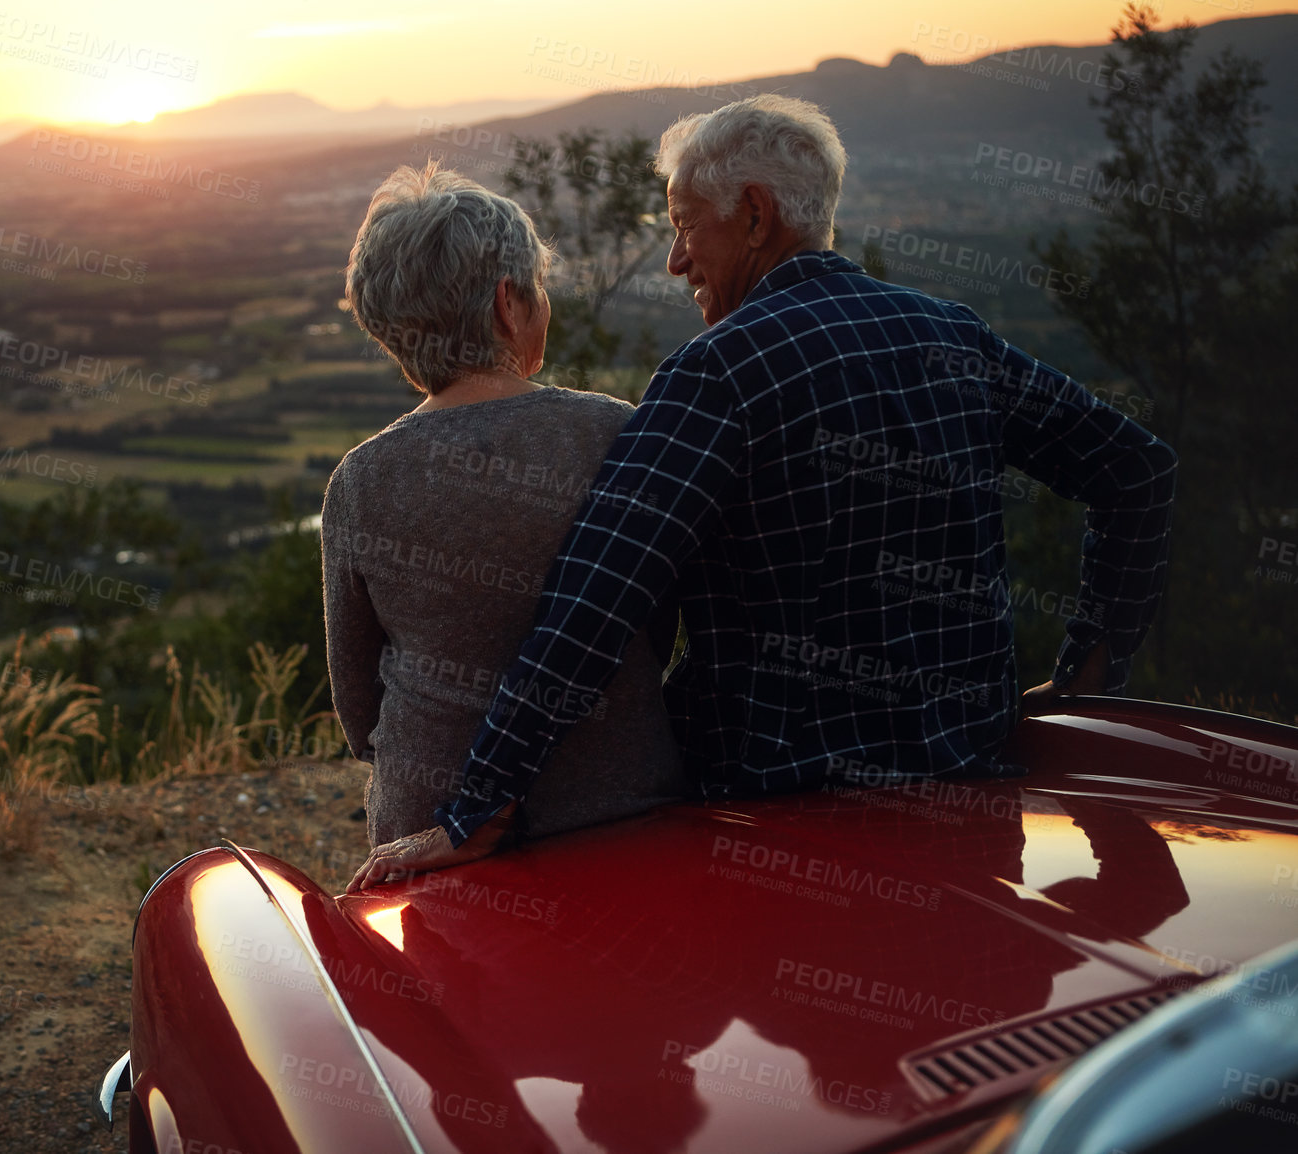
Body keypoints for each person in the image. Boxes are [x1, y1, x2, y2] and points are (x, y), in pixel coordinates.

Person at [348, 94, 1177, 890]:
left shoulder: (717, 375)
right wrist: (1091, 668)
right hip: (975, 813)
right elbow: (1135, 468)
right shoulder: (955, 336)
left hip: (781, 840)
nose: (675, 261)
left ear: (753, 214)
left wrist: (480, 806)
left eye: (682, 229)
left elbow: (592, 604)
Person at [323, 162, 690, 849]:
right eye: (538, 289)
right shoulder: (616, 432)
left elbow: (357, 704)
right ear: (507, 304)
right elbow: (653, 625)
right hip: (620, 810)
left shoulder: (361, 480)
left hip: (428, 831)